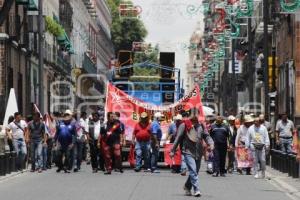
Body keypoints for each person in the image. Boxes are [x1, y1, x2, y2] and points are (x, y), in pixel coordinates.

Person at [170, 115, 214, 197]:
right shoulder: (184, 125)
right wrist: (172, 150)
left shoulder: (201, 126)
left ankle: (187, 186)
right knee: (193, 170)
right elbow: (178, 138)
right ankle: (196, 190)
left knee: (195, 171)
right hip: (188, 152)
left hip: (199, 152)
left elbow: (207, 136)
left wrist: (211, 143)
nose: (195, 120)